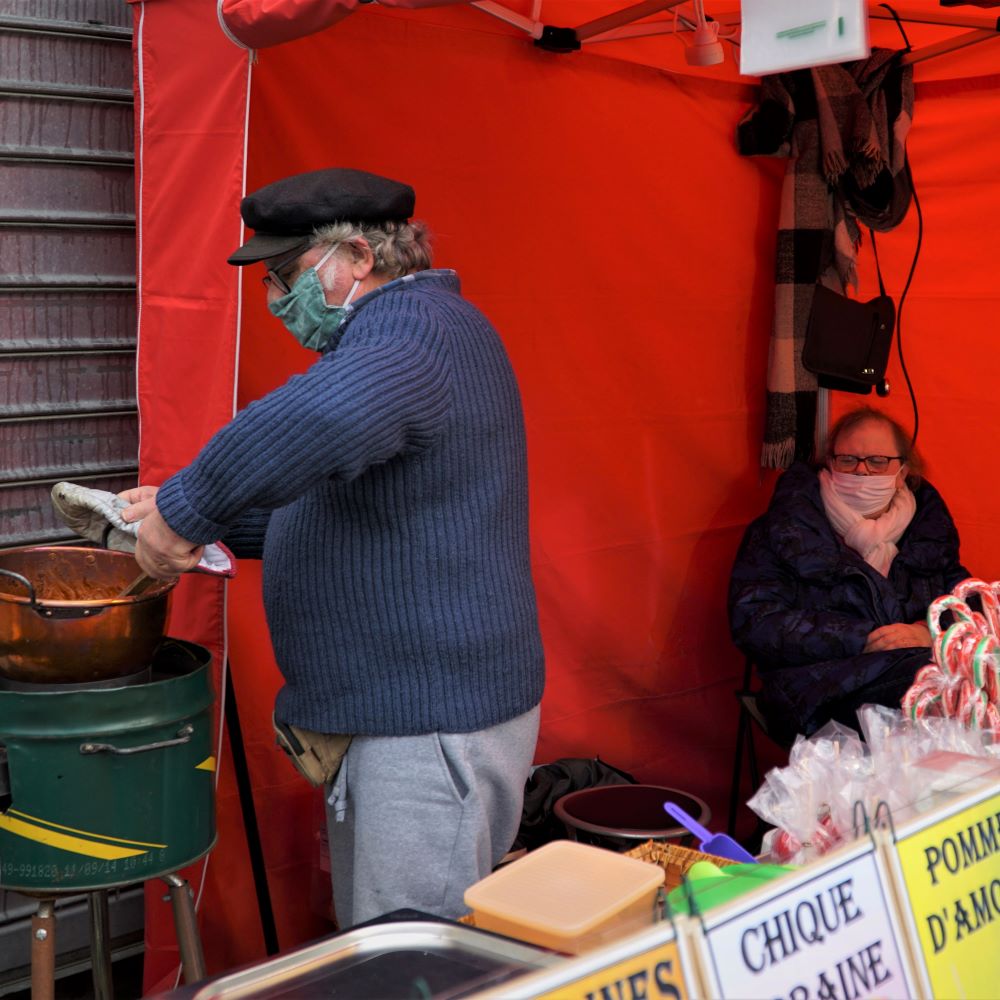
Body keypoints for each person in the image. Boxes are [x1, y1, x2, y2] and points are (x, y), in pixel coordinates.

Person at [121, 167, 545, 927]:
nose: (277, 299)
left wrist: (184, 510)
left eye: (286, 276)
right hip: (409, 719)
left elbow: (307, 424)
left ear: (356, 255)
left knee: (411, 966)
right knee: (382, 947)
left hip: (429, 729)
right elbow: (347, 506)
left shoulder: (413, 333)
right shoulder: (420, 333)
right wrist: (198, 522)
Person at [728, 406, 969, 747]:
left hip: (918, 674)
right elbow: (756, 621)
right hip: (816, 690)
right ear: (828, 464)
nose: (861, 471)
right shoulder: (784, 530)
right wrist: (862, 637)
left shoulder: (926, 534)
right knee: (938, 687)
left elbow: (968, 608)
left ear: (902, 471)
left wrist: (928, 632)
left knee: (966, 681)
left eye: (877, 461)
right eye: (848, 460)